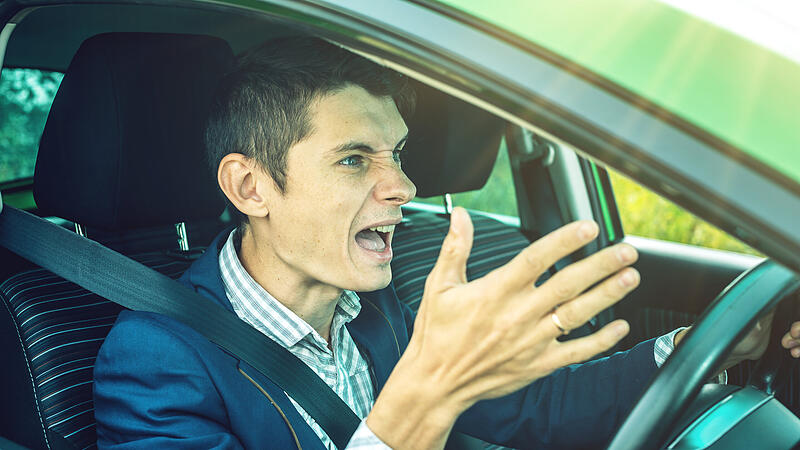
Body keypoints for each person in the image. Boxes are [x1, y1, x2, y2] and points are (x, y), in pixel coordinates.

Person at [93, 37, 792, 449]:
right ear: (251, 188)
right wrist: (423, 398)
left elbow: (535, 409)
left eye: (397, 153)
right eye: (354, 158)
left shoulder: (376, 305)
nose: (403, 184)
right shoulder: (156, 359)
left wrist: (699, 347)